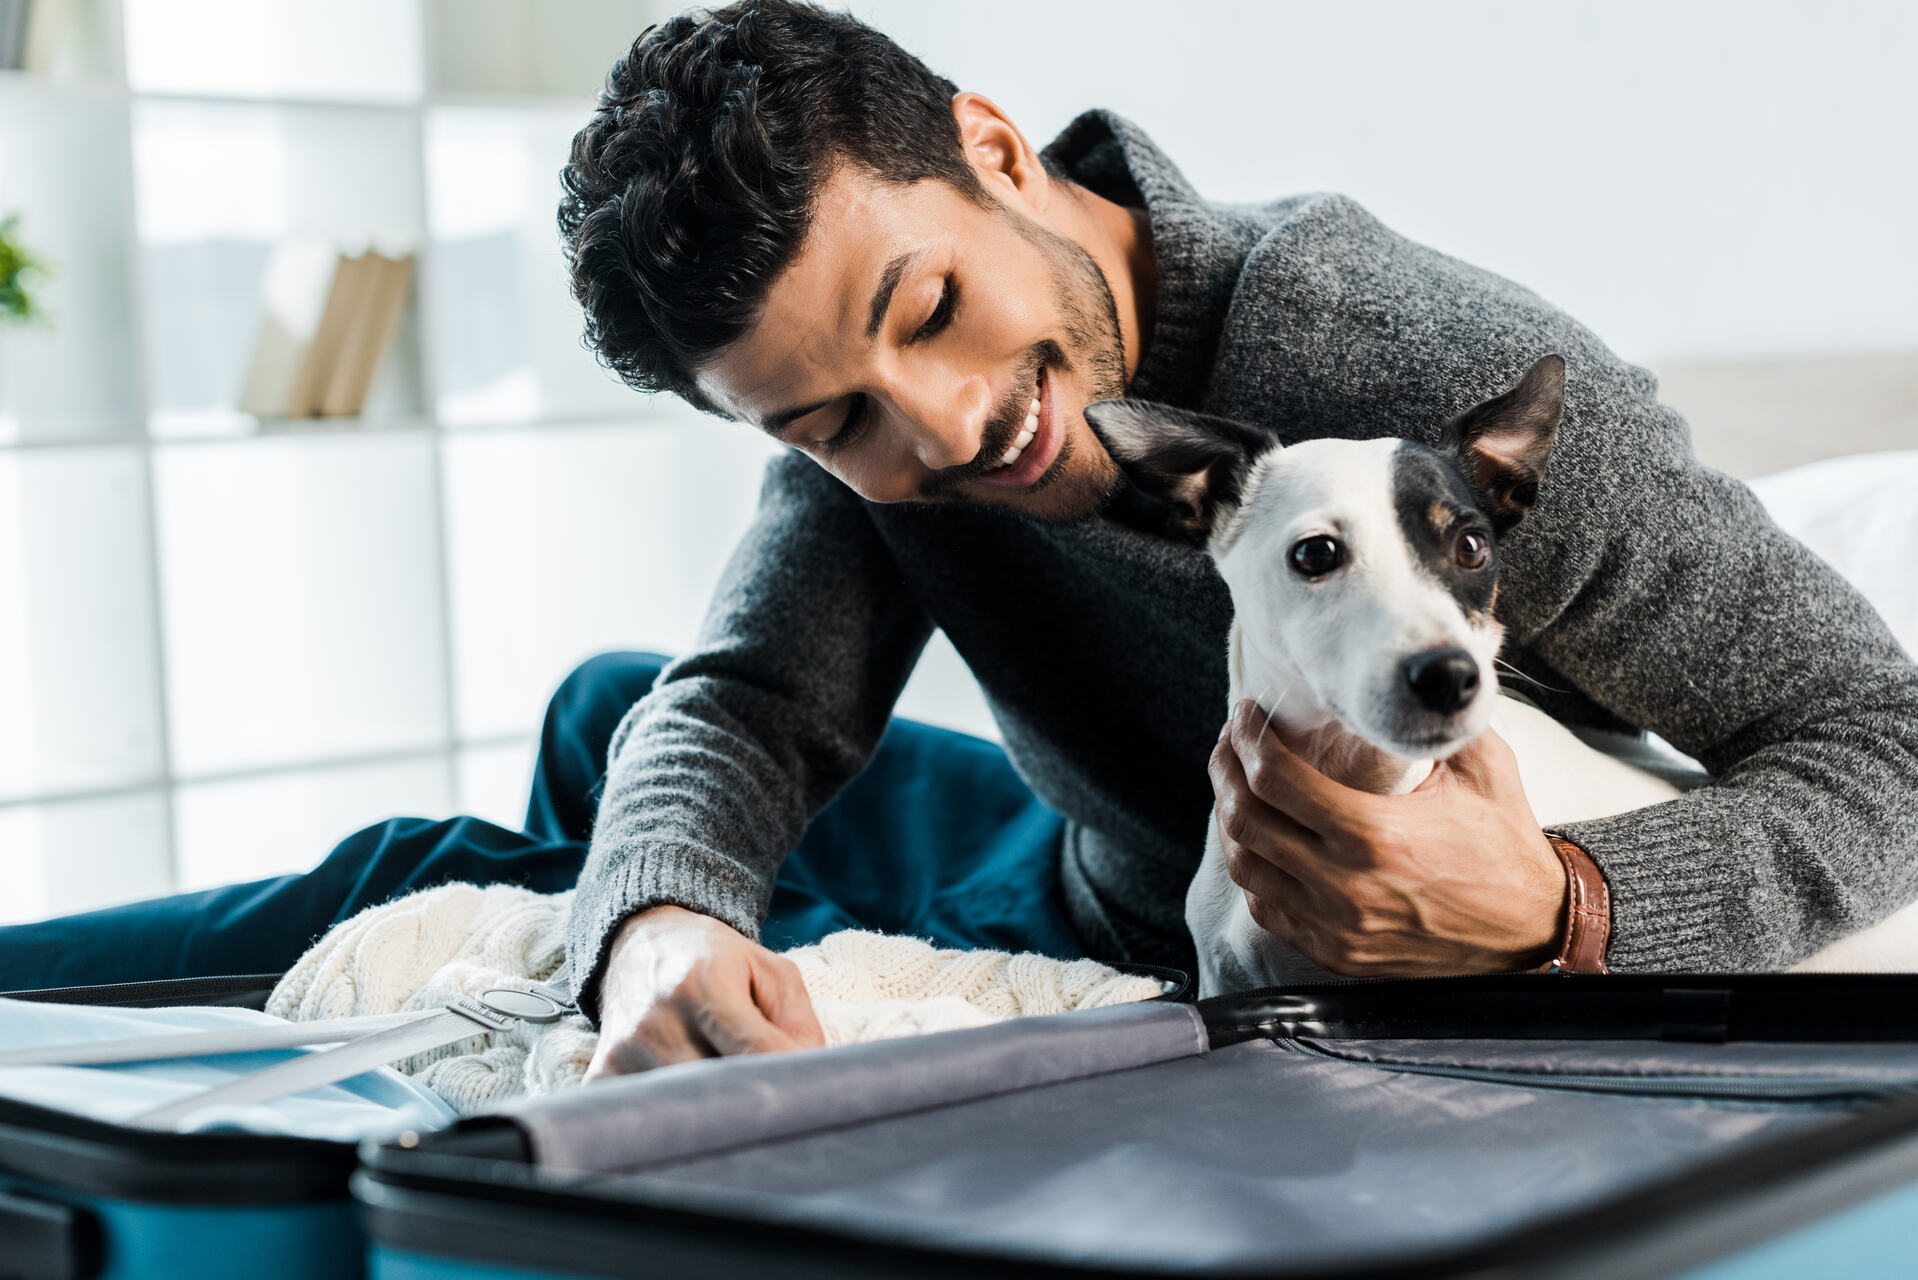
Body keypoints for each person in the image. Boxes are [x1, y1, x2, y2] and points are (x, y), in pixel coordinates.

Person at [5, 2, 1914, 1083]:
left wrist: (1564, 911)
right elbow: (747, 695)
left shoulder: (1417, 376)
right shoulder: (876, 435)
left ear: (998, 153)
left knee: (444, 863)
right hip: (1081, 863)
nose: (939, 434)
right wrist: (664, 926)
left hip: (1181, 924)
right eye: (827, 417)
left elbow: (1888, 750)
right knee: (624, 734)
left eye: (926, 314)